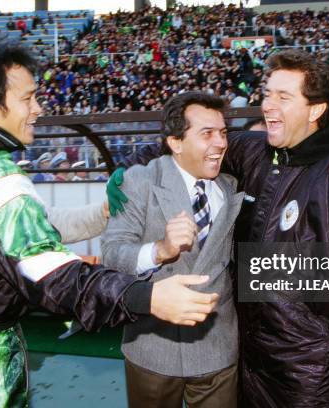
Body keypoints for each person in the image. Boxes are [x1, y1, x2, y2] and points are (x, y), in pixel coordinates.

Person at [0, 42, 218, 407]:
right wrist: (148, 296)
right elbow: (58, 280)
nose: (38, 109)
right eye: (28, 98)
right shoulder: (1, 183)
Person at [109, 49, 329, 407]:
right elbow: (185, 142)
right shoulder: (255, 151)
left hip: (306, 369)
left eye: (283, 97)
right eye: (267, 94)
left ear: (315, 110)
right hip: (245, 353)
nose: (268, 105)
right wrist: (130, 168)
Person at [101, 92, 242, 408]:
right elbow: (111, 255)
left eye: (222, 133)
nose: (220, 143)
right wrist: (159, 250)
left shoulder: (231, 187)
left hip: (217, 347)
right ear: (176, 142)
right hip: (153, 348)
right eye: (207, 134)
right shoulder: (139, 181)